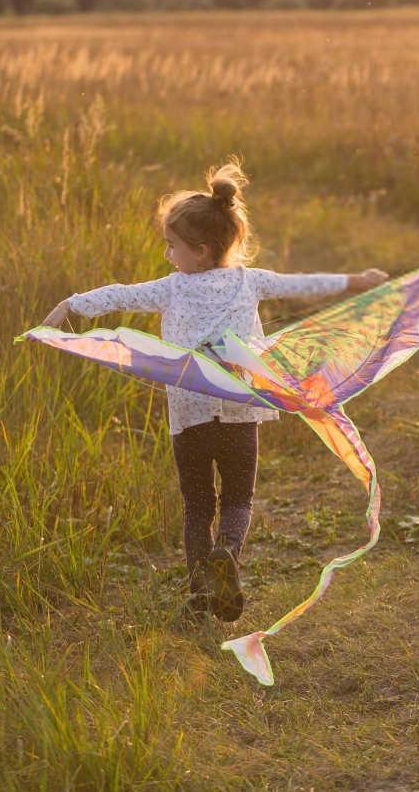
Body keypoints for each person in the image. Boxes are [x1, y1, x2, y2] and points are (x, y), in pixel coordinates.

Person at [40, 160, 386, 621]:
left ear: (200, 251)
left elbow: (119, 294)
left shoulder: (171, 287)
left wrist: (69, 306)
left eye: (172, 246)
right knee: (239, 498)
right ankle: (227, 552)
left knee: (197, 506)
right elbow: (301, 284)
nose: (167, 256)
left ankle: (200, 595)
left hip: (189, 415)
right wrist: (356, 282)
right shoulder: (251, 280)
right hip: (240, 412)